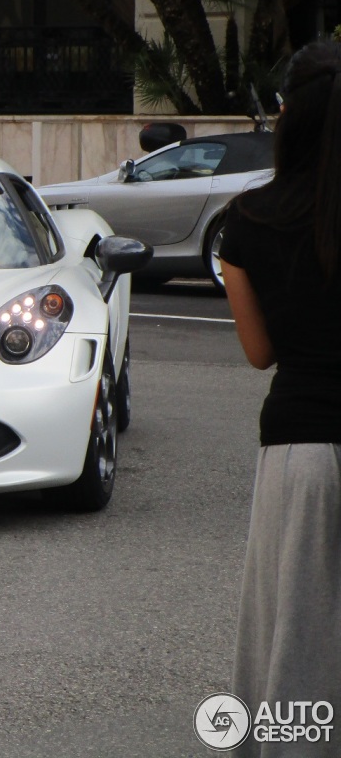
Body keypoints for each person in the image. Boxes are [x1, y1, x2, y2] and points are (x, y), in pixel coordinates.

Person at [219, 40, 341, 756]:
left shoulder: (248, 222)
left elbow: (260, 352)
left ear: (289, 119)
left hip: (301, 448)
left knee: (296, 628)